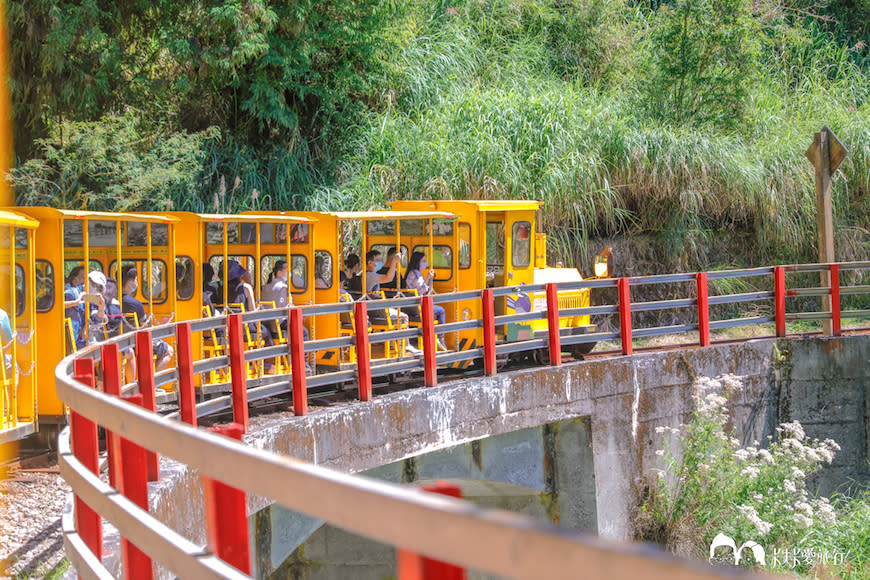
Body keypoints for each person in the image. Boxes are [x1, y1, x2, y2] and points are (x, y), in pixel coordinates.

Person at [122, 265, 174, 371]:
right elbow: (146, 326)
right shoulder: (135, 304)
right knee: (168, 350)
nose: (137, 282)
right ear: (130, 282)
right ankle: (153, 381)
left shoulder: (112, 300)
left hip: (119, 339)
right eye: (136, 279)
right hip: (136, 343)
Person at [405, 251, 447, 326]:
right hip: (417, 306)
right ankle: (441, 337)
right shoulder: (416, 274)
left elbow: (418, 286)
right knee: (441, 311)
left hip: (410, 306)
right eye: (423, 261)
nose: (425, 263)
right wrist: (428, 277)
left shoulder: (411, 272)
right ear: (418, 262)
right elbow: (420, 290)